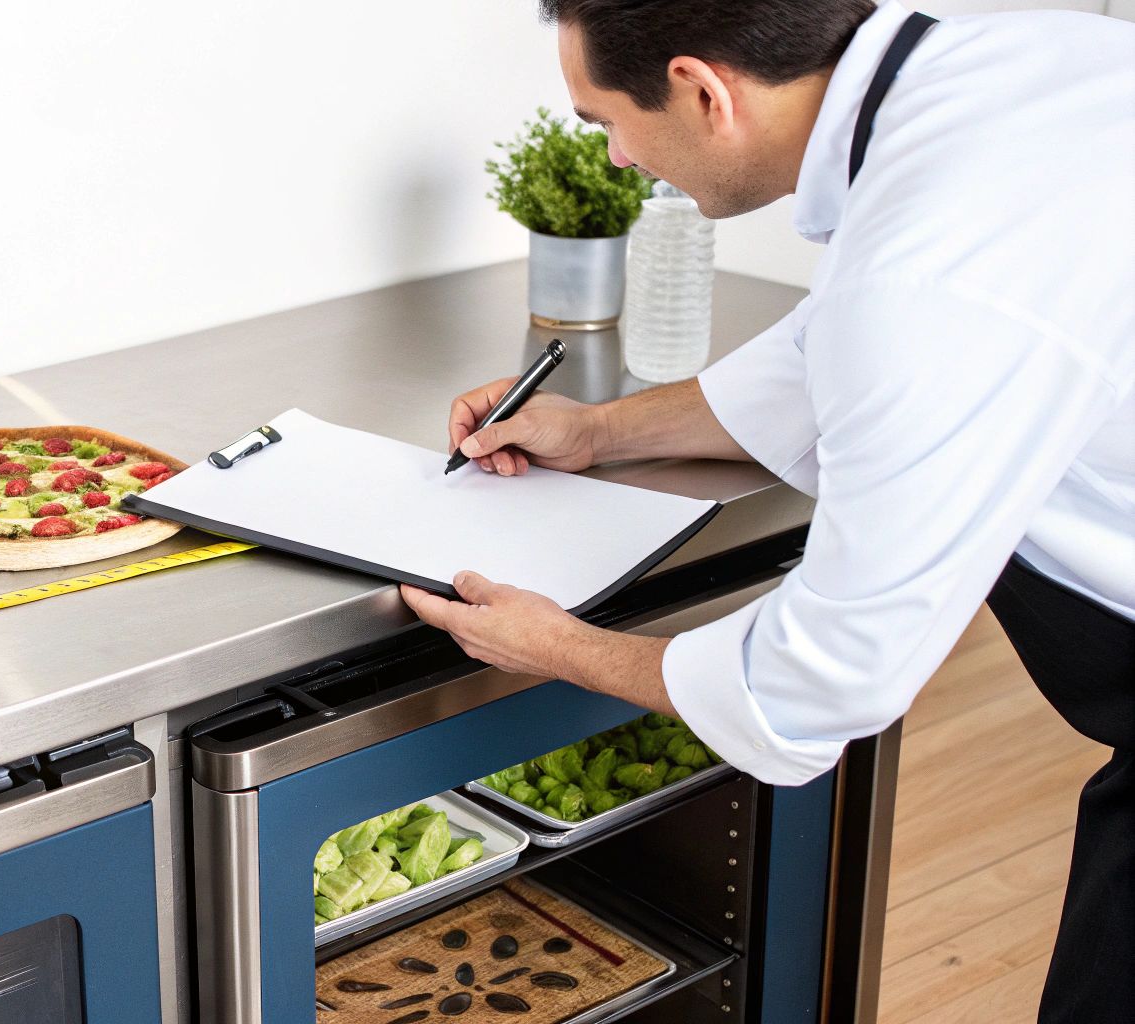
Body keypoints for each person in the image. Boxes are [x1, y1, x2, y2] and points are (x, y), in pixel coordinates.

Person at [398, 1, 1134, 1019]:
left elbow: (818, 680)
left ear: (703, 92)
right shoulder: (1025, 59)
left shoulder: (924, 284)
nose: (614, 159)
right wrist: (596, 431)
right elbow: (827, 359)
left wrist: (556, 646)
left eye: (605, 121)